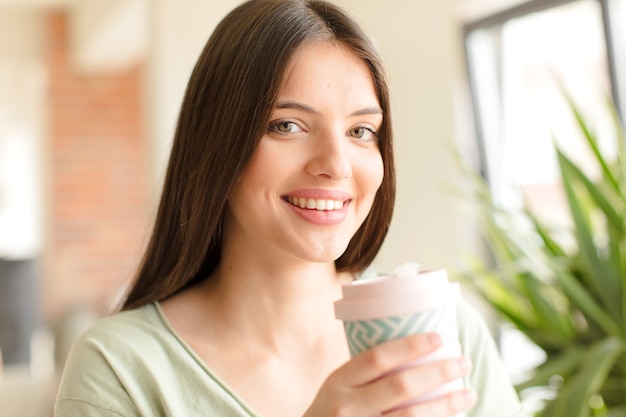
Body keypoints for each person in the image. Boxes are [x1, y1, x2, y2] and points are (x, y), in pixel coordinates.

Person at [54, 0, 523, 416]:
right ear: (217, 143)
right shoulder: (120, 370)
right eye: (288, 126)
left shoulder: (442, 332)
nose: (336, 165)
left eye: (361, 131)